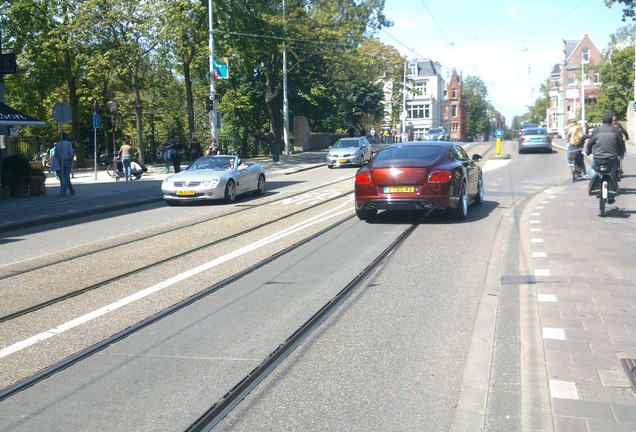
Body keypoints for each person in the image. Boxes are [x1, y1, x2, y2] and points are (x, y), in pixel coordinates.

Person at [586, 113, 625, 200]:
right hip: (612, 158)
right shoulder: (616, 131)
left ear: (602, 121)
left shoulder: (596, 130)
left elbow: (590, 143)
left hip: (598, 158)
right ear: (612, 121)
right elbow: (621, 145)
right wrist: (620, 153)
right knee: (613, 172)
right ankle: (613, 188)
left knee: (592, 169)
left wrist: (588, 152)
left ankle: (595, 182)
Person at [54, 132, 76, 196]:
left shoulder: (58, 144)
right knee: (66, 176)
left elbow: (56, 154)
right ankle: (63, 192)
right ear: (66, 137)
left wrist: (58, 160)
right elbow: (70, 153)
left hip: (60, 161)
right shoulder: (69, 144)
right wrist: (72, 161)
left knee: (63, 176)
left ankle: (72, 190)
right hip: (67, 161)